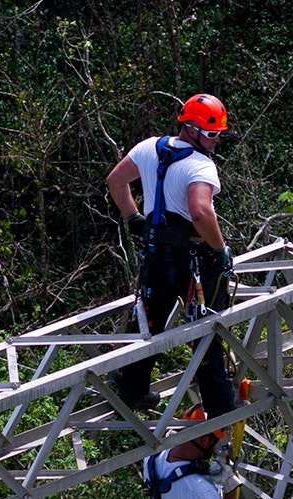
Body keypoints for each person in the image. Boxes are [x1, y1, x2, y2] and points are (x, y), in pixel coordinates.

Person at [107, 93, 237, 416]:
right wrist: (220, 249)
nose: (215, 141)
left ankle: (132, 391)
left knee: (149, 325)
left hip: (154, 256)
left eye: (218, 134)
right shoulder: (200, 165)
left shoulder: (150, 147)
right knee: (204, 328)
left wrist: (133, 217)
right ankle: (221, 406)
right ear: (190, 129)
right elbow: (200, 212)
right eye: (211, 134)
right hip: (191, 261)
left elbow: (115, 181)